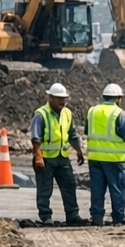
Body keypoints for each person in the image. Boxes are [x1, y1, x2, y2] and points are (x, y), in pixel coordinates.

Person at [31, 82, 85, 226]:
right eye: (58, 98)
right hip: (46, 159)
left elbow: (72, 134)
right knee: (45, 188)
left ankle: (73, 215)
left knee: (69, 185)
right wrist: (38, 157)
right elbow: (36, 138)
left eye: (64, 98)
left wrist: (79, 151)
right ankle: (46, 216)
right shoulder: (41, 114)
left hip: (62, 157)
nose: (62, 101)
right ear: (50, 98)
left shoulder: (67, 113)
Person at [85, 82, 125, 226]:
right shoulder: (119, 113)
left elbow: (88, 131)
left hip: (94, 157)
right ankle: (118, 217)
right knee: (117, 188)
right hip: (113, 158)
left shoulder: (92, 111)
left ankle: (96, 218)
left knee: (97, 188)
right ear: (118, 99)